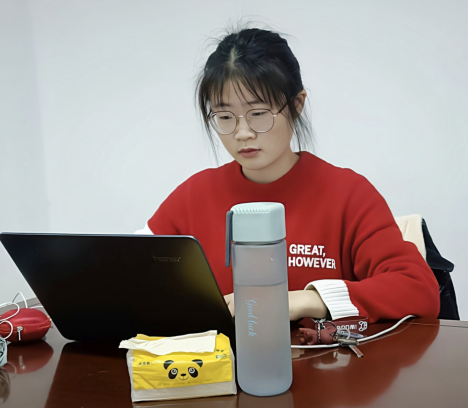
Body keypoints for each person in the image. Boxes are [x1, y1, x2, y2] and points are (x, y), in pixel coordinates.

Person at [136, 24, 440, 324]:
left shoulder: (348, 194)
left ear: (296, 105)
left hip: (324, 356)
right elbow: (126, 272)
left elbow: (418, 289)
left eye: (258, 114)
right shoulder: (194, 195)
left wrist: (307, 300)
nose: (242, 132)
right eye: (225, 116)